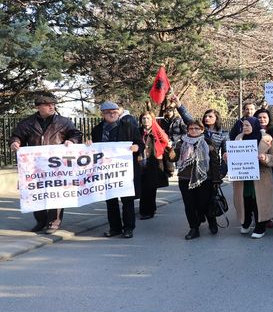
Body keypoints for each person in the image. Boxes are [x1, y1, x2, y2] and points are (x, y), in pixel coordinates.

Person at [9, 92, 83, 233]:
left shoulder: (63, 121)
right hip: (35, 165)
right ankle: (41, 221)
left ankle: (53, 222)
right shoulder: (27, 123)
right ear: (38, 107)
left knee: (56, 192)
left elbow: (76, 134)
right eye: (47, 105)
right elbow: (16, 136)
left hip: (57, 165)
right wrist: (15, 143)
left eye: (53, 104)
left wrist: (71, 141)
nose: (51, 107)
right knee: (35, 193)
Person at [89, 101, 144, 238]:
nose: (112, 114)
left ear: (118, 112)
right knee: (111, 200)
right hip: (106, 170)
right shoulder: (97, 130)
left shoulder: (129, 126)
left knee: (127, 200)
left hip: (125, 170)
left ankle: (128, 228)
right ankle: (115, 228)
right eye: (108, 112)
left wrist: (137, 147)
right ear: (102, 114)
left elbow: (140, 143)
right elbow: (95, 149)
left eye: (114, 111)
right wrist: (88, 146)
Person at [170, 120, 222, 239]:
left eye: (196, 128)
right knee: (189, 205)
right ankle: (194, 228)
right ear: (187, 130)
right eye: (191, 128)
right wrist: (170, 151)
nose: (193, 131)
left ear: (202, 130)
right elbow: (173, 158)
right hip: (185, 179)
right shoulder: (181, 142)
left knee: (204, 203)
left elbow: (214, 162)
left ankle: (211, 221)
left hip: (204, 179)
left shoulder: (208, 142)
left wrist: (216, 180)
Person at [227, 117, 273, 239]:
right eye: (243, 125)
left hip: (261, 178)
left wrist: (265, 158)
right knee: (245, 201)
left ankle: (260, 227)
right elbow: (234, 157)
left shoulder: (267, 139)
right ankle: (246, 222)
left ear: (255, 126)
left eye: (247, 125)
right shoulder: (238, 138)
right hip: (243, 178)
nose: (244, 128)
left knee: (259, 202)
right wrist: (227, 157)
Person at [138, 111, 171, 220]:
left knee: (151, 187)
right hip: (141, 163)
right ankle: (146, 209)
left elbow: (165, 141)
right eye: (143, 119)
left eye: (148, 118)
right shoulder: (138, 132)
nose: (146, 121)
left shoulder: (157, 132)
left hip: (154, 163)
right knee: (143, 187)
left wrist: (156, 126)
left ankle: (148, 211)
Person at [254, 108, 273, 226]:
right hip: (254, 167)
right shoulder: (250, 130)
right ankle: (259, 217)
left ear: (269, 119)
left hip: (272, 166)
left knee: (272, 193)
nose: (262, 119)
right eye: (259, 117)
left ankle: (271, 216)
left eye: (264, 117)